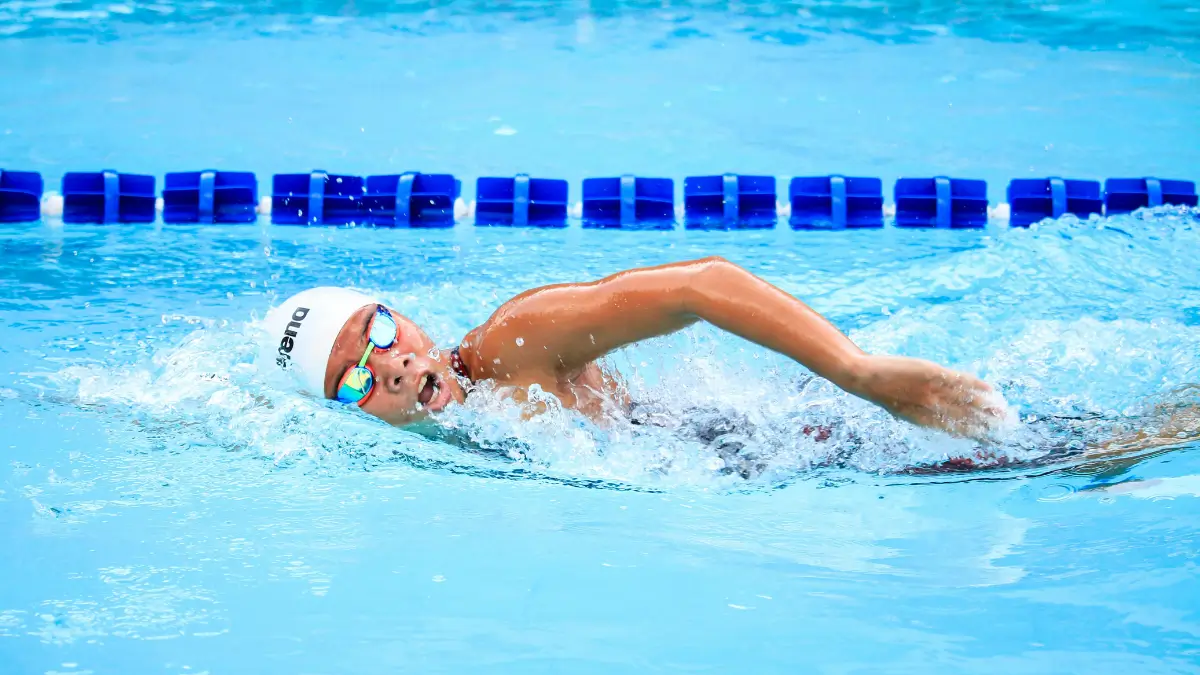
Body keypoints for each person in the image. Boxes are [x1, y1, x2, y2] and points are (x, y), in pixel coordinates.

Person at [263, 257, 1006, 442]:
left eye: (381, 333)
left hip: (766, 445)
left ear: (410, 322)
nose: (388, 364)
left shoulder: (512, 342)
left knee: (1035, 450)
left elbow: (701, 285)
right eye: (354, 375)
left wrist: (860, 374)